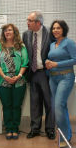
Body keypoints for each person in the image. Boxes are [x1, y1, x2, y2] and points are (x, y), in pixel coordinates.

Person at [22, 11, 55, 139]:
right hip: (33, 73)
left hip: (46, 73)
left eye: (30, 21)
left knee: (49, 102)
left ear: (38, 23)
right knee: (34, 103)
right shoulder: (26, 34)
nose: (27, 23)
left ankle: (50, 129)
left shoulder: (50, 33)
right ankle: (35, 128)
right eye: (28, 20)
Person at [45, 20, 76, 147]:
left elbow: (75, 60)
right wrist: (49, 62)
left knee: (59, 106)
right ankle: (63, 134)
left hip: (66, 77)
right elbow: (53, 59)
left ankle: (65, 137)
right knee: (58, 107)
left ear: (63, 29)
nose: (55, 30)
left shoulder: (68, 42)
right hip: (53, 78)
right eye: (53, 28)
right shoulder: (53, 44)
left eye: (58, 28)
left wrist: (56, 64)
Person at [0, 24, 28, 140]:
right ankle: (9, 128)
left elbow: (25, 63)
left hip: (19, 81)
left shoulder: (21, 46)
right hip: (3, 80)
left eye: (9, 30)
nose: (7, 32)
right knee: (7, 105)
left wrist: (18, 76)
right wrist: (4, 76)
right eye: (5, 31)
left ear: (15, 32)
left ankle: (15, 128)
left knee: (16, 106)